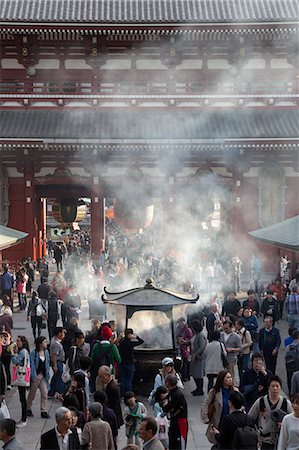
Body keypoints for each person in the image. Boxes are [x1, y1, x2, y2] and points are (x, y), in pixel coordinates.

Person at [248, 375, 293, 450]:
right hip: (265, 441)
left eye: (277, 386)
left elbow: (294, 419)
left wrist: (284, 424)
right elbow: (250, 418)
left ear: (280, 387)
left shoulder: (286, 403)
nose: (275, 388)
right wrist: (256, 434)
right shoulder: (261, 401)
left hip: (281, 440)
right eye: (272, 386)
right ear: (268, 387)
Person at [201, 369, 238, 445]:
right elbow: (206, 403)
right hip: (219, 422)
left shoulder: (235, 391)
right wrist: (205, 418)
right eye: (227, 377)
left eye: (230, 377)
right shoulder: (214, 391)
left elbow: (241, 405)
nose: (230, 379)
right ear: (222, 379)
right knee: (219, 443)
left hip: (232, 422)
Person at [91, 325, 121, 393]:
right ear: (110, 336)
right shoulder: (113, 347)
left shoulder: (96, 346)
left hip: (99, 372)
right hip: (110, 372)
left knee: (99, 393)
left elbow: (92, 360)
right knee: (110, 392)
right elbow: (119, 360)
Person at [162, 374, 188, 450]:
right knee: (172, 442)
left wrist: (166, 407)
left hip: (180, 421)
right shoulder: (172, 392)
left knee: (179, 443)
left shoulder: (177, 394)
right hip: (174, 420)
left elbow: (168, 406)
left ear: (168, 383)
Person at [27, 336, 51, 418]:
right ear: (40, 344)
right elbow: (32, 365)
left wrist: (46, 374)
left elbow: (47, 364)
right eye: (44, 342)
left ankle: (43, 410)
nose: (46, 343)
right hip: (36, 376)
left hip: (43, 377)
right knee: (32, 393)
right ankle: (28, 408)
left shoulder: (46, 352)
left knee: (44, 393)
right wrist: (34, 376)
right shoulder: (34, 353)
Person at [118, 328, 144, 397]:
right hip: (130, 364)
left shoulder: (121, 342)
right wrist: (136, 337)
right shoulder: (131, 343)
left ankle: (122, 395)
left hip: (121, 363)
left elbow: (116, 344)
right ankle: (128, 395)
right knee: (129, 381)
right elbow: (141, 341)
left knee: (123, 380)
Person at [11, 335, 30, 428]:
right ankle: (24, 417)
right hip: (22, 376)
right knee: (22, 399)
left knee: (22, 399)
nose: (16, 343)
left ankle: (24, 418)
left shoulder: (22, 351)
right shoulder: (23, 351)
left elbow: (16, 361)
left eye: (18, 341)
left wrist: (12, 354)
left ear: (23, 342)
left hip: (22, 377)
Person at [220, 320, 242, 386]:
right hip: (221, 358)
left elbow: (240, 348)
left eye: (227, 328)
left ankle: (231, 386)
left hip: (231, 358)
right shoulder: (221, 334)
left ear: (231, 327)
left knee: (230, 374)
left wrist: (232, 349)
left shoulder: (236, 337)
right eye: (224, 328)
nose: (225, 330)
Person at [189, 319, 207, 396]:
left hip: (199, 358)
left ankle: (200, 389)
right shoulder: (196, 334)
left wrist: (195, 354)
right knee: (194, 374)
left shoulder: (201, 335)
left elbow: (202, 347)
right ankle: (197, 388)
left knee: (198, 375)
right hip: (195, 357)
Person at [48, 326, 66, 397]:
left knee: (55, 377)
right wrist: (55, 365)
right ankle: (58, 391)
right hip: (57, 362)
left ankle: (51, 392)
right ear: (59, 333)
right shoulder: (56, 343)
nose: (63, 334)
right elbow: (54, 355)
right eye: (62, 332)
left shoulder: (54, 340)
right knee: (59, 377)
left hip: (57, 362)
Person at [175, 317, 193, 382]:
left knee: (186, 362)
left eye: (182, 322)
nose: (181, 323)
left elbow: (190, 340)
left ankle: (186, 376)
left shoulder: (188, 330)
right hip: (179, 347)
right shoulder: (177, 329)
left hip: (186, 348)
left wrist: (184, 341)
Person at [285, 329, 299, 396]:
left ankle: (291, 393)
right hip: (297, 367)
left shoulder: (289, 346)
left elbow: (285, 356)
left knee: (290, 379)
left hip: (290, 367)